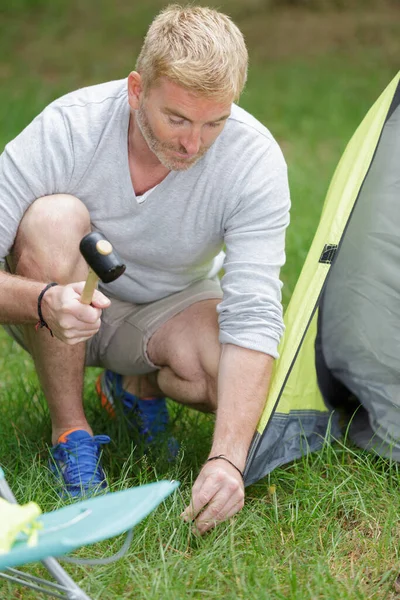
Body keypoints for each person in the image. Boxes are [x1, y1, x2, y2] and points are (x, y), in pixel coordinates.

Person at [0, 4, 290, 534]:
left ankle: (135, 390)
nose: (192, 143)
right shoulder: (70, 126)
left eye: (214, 122)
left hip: (168, 308)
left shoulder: (255, 160)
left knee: (228, 380)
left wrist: (228, 458)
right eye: (176, 118)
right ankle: (72, 434)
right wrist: (43, 301)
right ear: (136, 91)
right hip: (53, 302)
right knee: (53, 216)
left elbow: (254, 312)